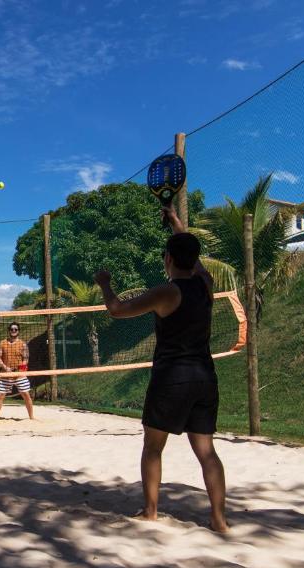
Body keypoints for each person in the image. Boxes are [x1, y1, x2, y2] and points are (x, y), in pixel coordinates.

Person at [93, 206, 228, 533]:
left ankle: (151, 511)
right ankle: (219, 520)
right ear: (193, 258)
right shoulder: (205, 284)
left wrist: (105, 283)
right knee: (207, 452)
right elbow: (191, 254)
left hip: (172, 378)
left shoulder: (167, 291)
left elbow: (116, 309)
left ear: (167, 258)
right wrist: (177, 224)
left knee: (153, 447)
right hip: (204, 376)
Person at [0, 322, 35, 420]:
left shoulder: (23, 344)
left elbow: (26, 359)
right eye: (12, 329)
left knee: (26, 395)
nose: (13, 331)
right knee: (0, 396)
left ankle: (31, 417)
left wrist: (21, 369)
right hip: (6, 374)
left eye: (15, 329)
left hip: (19, 374)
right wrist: (5, 368)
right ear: (9, 331)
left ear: (18, 331)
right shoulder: (2, 343)